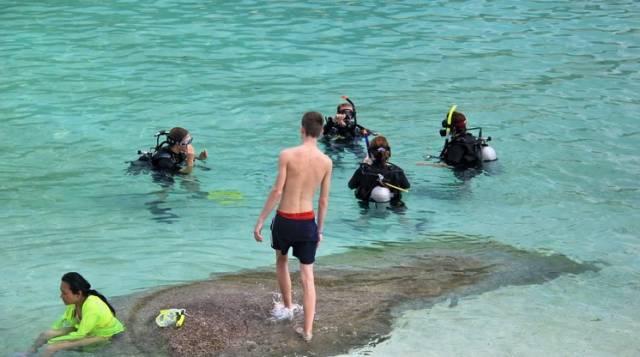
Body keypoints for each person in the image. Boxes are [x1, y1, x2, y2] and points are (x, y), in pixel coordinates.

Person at [253, 111, 333, 342]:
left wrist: (260, 220)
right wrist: (319, 230)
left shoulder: (287, 155)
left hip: (285, 220)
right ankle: (307, 330)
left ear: (302, 129)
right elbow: (324, 200)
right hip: (307, 221)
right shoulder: (326, 162)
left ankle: (288, 307)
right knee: (308, 275)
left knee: (281, 260)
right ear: (321, 132)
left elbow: (277, 191)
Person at [29, 272, 125, 357]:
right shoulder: (75, 302)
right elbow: (61, 320)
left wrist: (54, 341)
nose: (61, 296)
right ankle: (27, 354)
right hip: (84, 328)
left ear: (78, 293)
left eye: (64, 293)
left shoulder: (93, 307)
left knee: (51, 348)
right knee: (45, 334)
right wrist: (52, 333)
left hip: (103, 334)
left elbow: (80, 334)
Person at [348, 136, 410, 207]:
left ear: (371, 153)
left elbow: (351, 186)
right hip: (393, 202)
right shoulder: (397, 171)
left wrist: (364, 164)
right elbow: (406, 186)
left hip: (366, 204)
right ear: (388, 153)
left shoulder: (363, 170)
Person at [135, 127, 208, 175]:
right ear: (177, 144)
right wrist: (190, 161)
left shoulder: (179, 150)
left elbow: (185, 159)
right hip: (161, 172)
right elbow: (185, 173)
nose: (189, 144)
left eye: (190, 140)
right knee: (169, 185)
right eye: (186, 141)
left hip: (172, 166)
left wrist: (200, 157)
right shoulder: (165, 160)